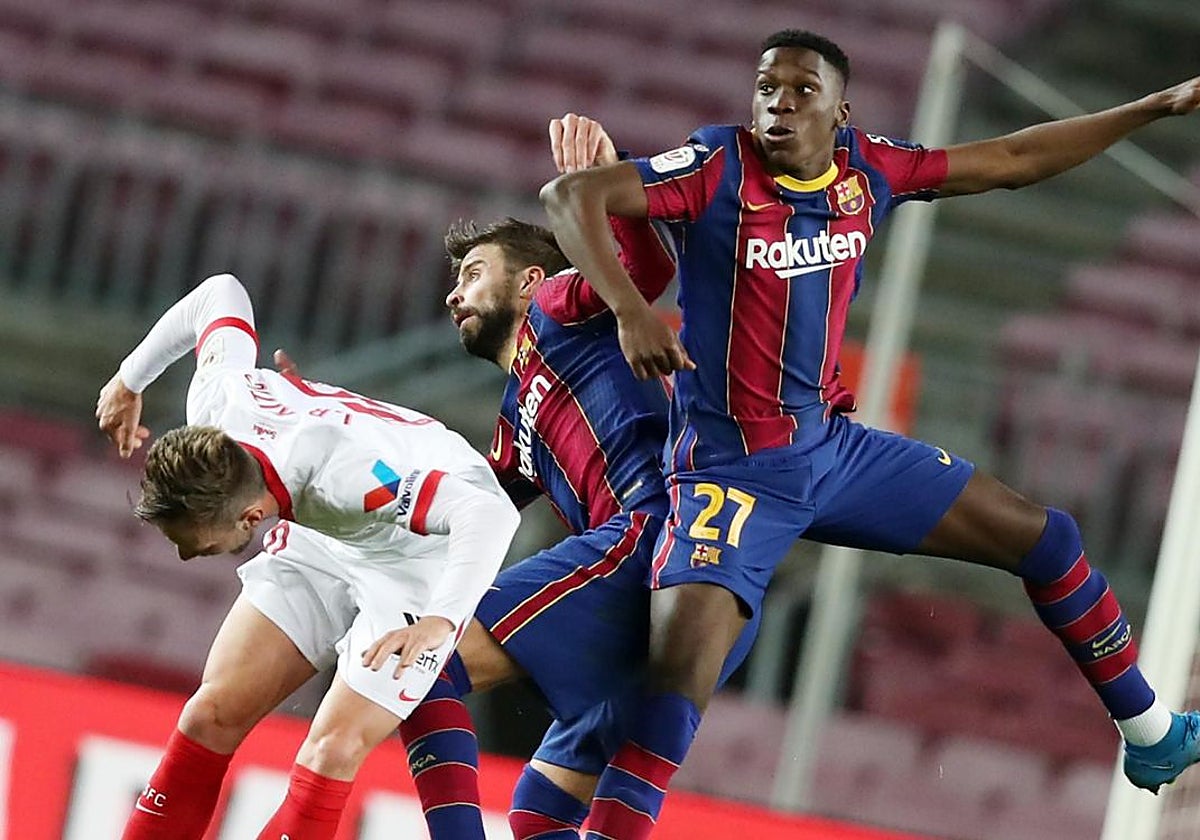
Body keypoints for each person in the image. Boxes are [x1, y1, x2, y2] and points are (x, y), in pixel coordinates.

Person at [539, 29, 1200, 838]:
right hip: (728, 475)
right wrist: (632, 309)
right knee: (673, 691)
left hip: (832, 452)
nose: (778, 104)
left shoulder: (868, 170)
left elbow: (1016, 158)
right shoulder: (717, 165)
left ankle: (1153, 735)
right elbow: (569, 199)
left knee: (1047, 537)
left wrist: (1154, 105)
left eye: (800, 91)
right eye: (766, 88)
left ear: (839, 109)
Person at [334, 114, 758, 840]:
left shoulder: (558, 312)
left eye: (473, 274)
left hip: (651, 541)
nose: (453, 295)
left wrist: (608, 173)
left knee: (424, 665)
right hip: (673, 589)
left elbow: (646, 271)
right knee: (537, 815)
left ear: (533, 281)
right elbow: (447, 515)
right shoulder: (513, 424)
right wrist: (323, 447)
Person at [96, 272, 520, 840]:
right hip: (326, 531)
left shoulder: (353, 480)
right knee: (209, 716)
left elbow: (488, 514)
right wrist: (129, 379)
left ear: (249, 517)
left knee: (329, 751)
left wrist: (442, 619)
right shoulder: (216, 404)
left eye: (189, 541)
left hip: (421, 553)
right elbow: (220, 292)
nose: (183, 556)